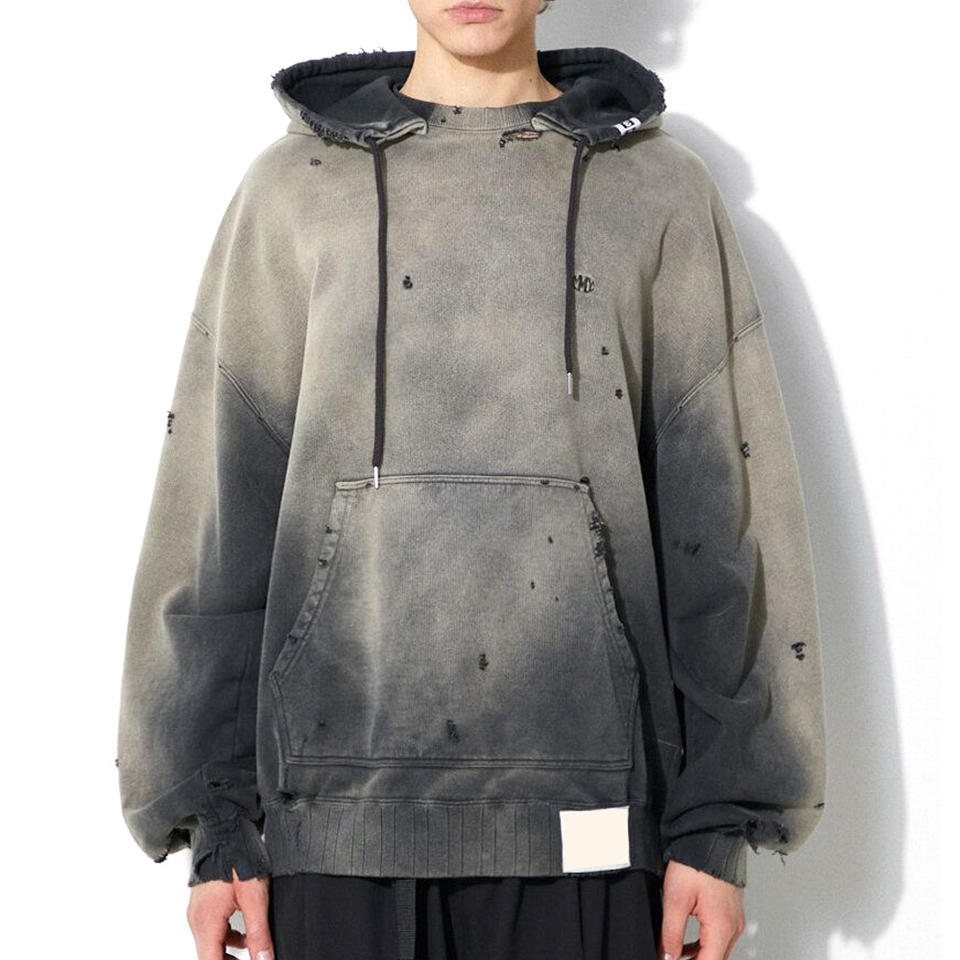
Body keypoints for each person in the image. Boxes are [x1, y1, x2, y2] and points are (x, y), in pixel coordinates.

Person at [115, 1, 828, 958]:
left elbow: (722, 518)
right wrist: (214, 819)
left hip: (594, 824)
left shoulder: (657, 192)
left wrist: (719, 821)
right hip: (332, 829)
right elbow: (220, 513)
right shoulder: (291, 195)